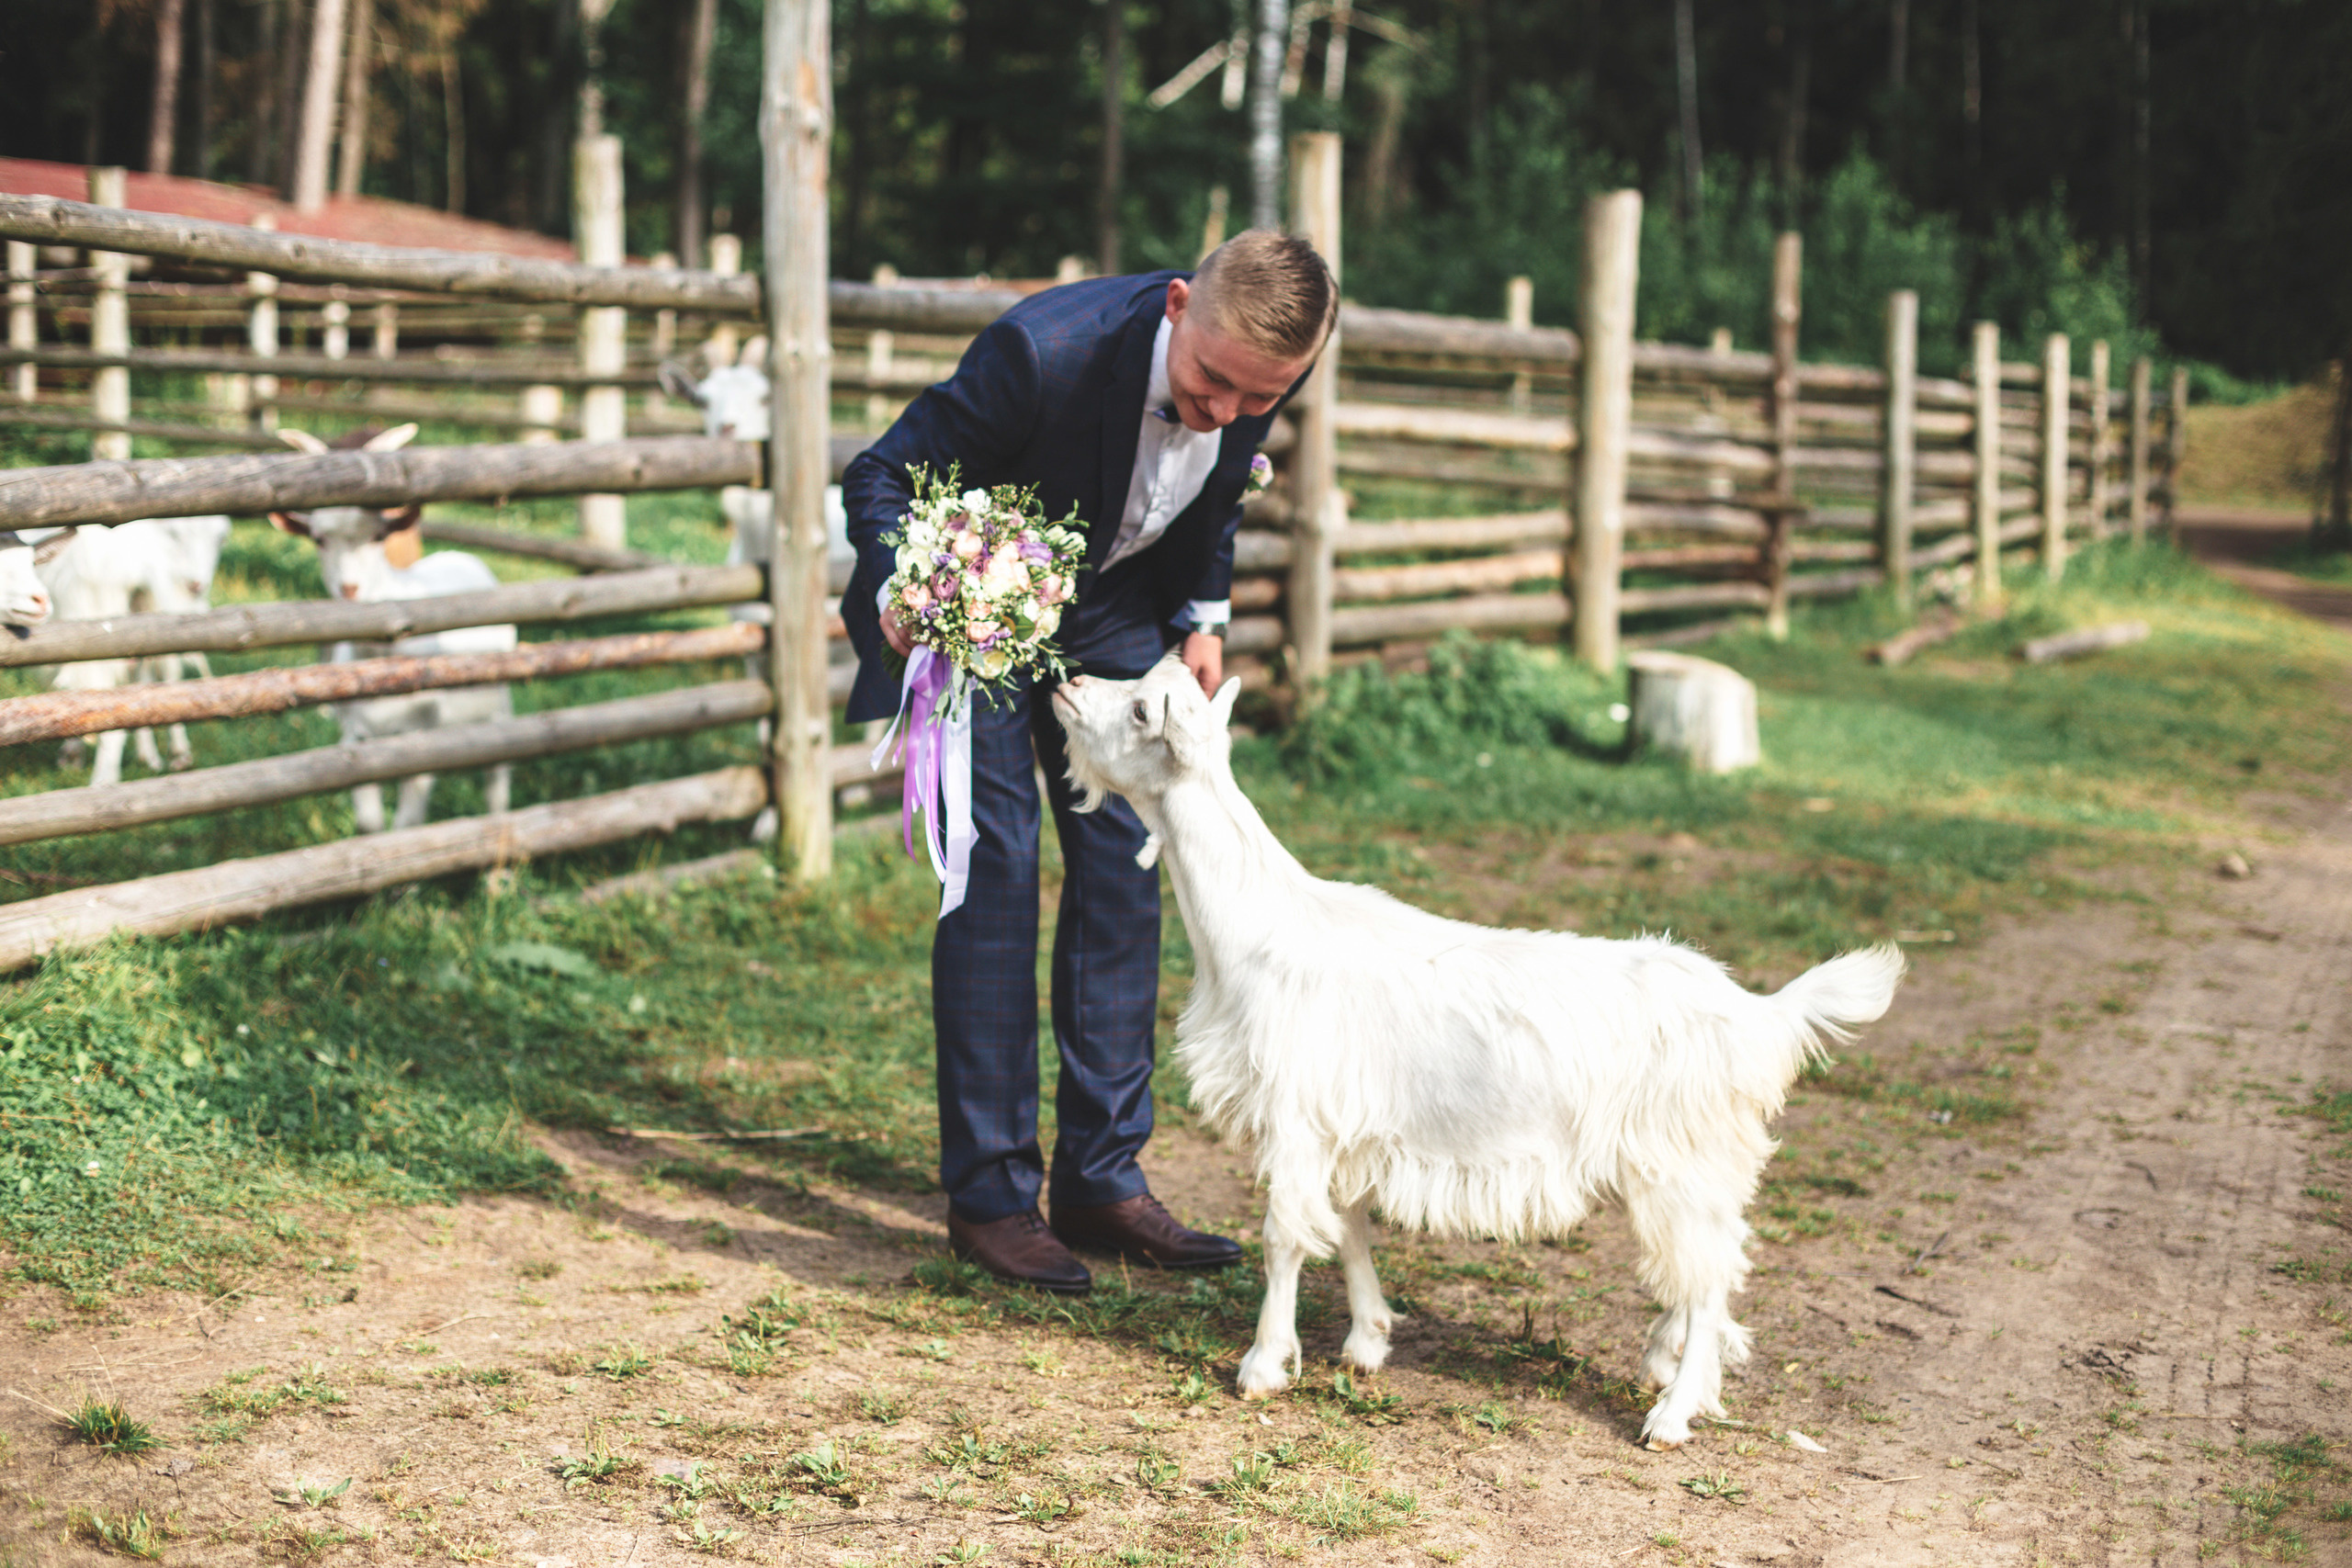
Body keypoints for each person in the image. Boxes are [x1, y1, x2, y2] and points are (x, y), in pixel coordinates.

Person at [840, 231, 1337, 1293]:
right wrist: (898, 593)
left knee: (1127, 870)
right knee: (997, 872)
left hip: (1110, 611)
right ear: (1173, 308)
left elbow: (1215, 489)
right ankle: (991, 1197)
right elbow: (880, 472)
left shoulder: (1254, 371)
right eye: (1208, 385)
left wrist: (1202, 611)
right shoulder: (1041, 354)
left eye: (1259, 399)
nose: (1224, 413)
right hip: (985, 608)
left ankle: (1101, 1178)